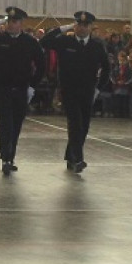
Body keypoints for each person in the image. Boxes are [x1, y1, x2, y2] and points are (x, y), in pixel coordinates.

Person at [0, 6, 45, 175]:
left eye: (15, 22)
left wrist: (33, 86)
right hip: (1, 87)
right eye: (9, 21)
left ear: (21, 23)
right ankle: (5, 157)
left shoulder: (29, 42)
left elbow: (41, 64)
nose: (12, 25)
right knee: (5, 123)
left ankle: (11, 156)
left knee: (16, 123)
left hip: (21, 88)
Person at [40, 12, 110, 173]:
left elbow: (106, 68)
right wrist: (63, 28)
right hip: (69, 90)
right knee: (75, 124)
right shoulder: (66, 41)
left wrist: (98, 88)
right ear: (75, 25)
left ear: (91, 27)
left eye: (86, 25)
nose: (82, 28)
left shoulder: (97, 45)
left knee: (84, 126)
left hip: (88, 91)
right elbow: (44, 41)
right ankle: (78, 159)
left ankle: (70, 157)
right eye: (79, 25)